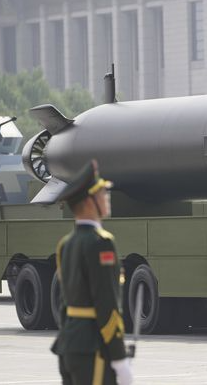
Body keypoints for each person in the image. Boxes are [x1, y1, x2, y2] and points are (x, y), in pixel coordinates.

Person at [51, 159, 134, 385]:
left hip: (70, 345)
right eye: (102, 193)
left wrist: (69, 338)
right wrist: (119, 358)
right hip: (93, 348)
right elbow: (106, 302)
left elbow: (65, 303)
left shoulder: (66, 244)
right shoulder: (100, 243)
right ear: (89, 202)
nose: (107, 197)